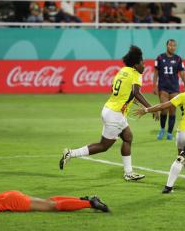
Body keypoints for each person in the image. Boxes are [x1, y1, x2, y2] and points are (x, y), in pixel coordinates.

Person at [60, 45, 159, 181]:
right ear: (136, 65)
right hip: (116, 114)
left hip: (109, 109)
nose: (145, 66)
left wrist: (130, 100)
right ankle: (71, 153)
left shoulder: (123, 71)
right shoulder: (136, 75)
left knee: (128, 137)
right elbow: (136, 93)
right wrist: (151, 108)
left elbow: (114, 88)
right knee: (103, 146)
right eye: (143, 63)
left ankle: (128, 172)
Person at [153, 39, 185, 141]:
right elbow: (155, 72)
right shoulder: (160, 58)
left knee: (172, 111)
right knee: (164, 109)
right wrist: (154, 85)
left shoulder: (178, 59)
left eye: (174, 45)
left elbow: (182, 73)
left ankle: (169, 133)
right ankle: (162, 129)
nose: (172, 47)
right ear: (166, 46)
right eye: (170, 45)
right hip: (163, 88)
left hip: (174, 88)